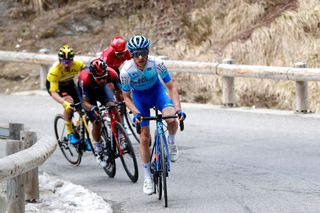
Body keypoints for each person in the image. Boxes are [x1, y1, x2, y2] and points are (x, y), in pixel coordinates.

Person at [119, 35, 186, 195]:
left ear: (148, 51)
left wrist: (178, 109)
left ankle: (171, 143)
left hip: (157, 94)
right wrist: (135, 113)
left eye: (143, 52)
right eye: (136, 54)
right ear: (131, 54)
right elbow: (126, 97)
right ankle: (147, 176)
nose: (140, 57)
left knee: (170, 118)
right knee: (144, 138)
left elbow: (171, 87)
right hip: (140, 100)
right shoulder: (126, 71)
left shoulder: (157, 64)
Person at [77, 57, 121, 166]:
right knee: (97, 121)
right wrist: (92, 108)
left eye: (104, 77)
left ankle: (121, 134)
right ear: (92, 76)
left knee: (114, 107)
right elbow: (85, 103)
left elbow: (121, 92)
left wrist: (121, 101)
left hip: (101, 90)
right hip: (88, 95)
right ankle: (97, 147)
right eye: (99, 78)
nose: (102, 80)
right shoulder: (85, 79)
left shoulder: (112, 73)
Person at [46, 44, 85, 144]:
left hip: (69, 83)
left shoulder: (78, 64)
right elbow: (54, 93)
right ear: (60, 61)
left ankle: (79, 130)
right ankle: (69, 133)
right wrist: (64, 103)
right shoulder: (54, 71)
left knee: (83, 107)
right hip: (57, 86)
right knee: (69, 102)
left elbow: (87, 74)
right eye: (64, 61)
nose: (67, 64)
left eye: (69, 61)